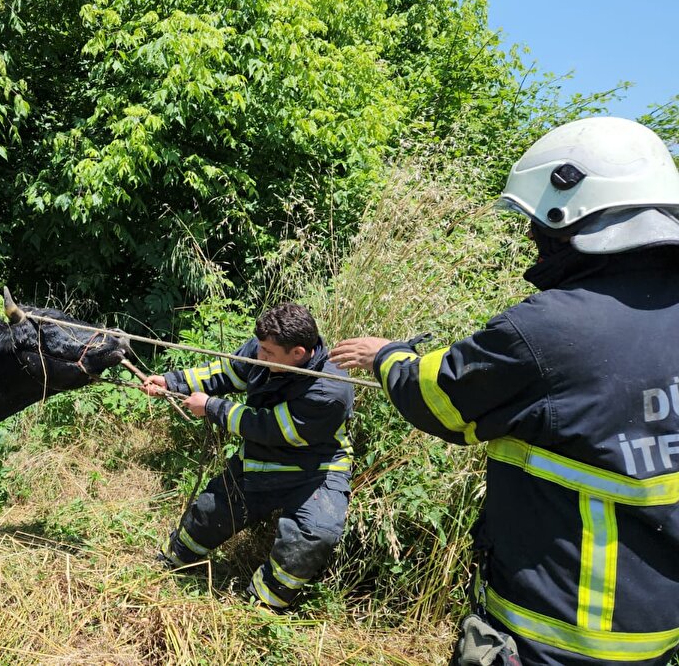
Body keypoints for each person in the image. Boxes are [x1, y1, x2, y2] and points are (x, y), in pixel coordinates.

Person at [329, 117, 679, 665]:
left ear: (569, 217)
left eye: (537, 224)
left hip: (556, 638)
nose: (531, 238)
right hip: (659, 633)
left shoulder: (552, 330)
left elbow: (442, 398)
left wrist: (387, 356)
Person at [145, 302, 354, 611]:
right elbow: (225, 371)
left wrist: (212, 408)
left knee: (313, 534)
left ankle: (264, 604)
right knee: (210, 513)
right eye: (260, 348)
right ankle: (172, 560)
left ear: (298, 353)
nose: (259, 356)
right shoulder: (265, 348)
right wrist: (173, 382)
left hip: (315, 471)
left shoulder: (331, 390)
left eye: (268, 353)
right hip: (261, 459)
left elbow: (270, 428)